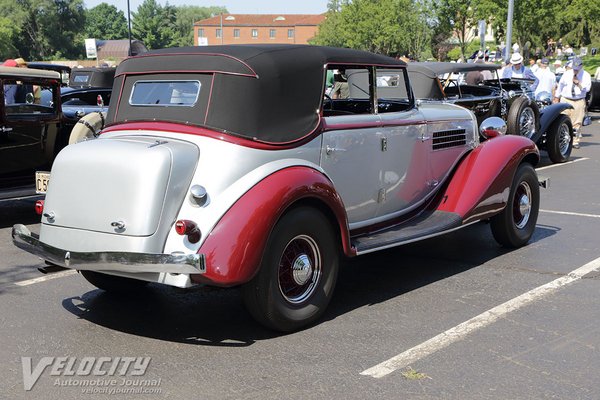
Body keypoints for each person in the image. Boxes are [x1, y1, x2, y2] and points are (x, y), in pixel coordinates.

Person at [554, 57, 591, 148]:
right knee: (562, 119)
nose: (575, 71)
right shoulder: (566, 74)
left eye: (577, 69)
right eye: (574, 68)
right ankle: (562, 139)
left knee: (577, 122)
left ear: (581, 66)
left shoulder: (586, 75)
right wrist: (556, 97)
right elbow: (561, 86)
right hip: (566, 99)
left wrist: (578, 83)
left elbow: (587, 89)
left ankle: (575, 141)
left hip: (578, 100)